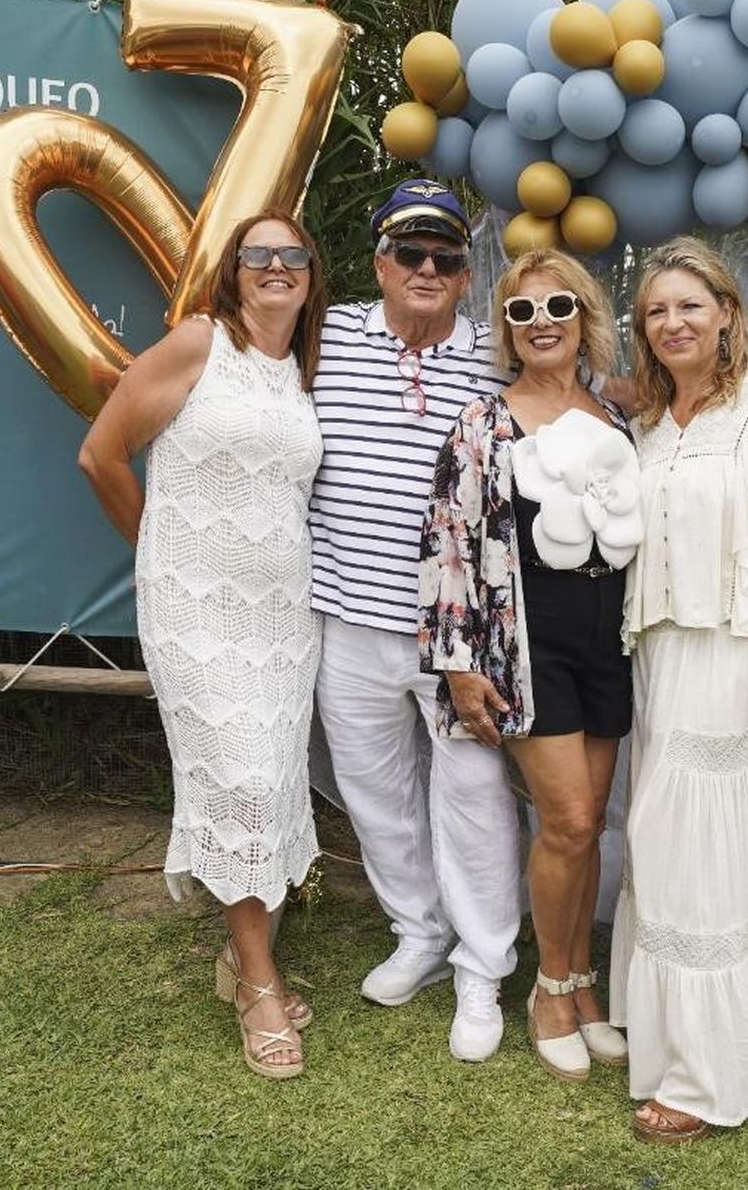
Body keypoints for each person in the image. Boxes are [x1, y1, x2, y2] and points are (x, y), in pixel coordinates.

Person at [78, 210, 326, 1080]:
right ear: (234, 271)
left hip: (286, 620)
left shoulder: (299, 373)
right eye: (257, 253)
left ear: (309, 273)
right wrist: (162, 557)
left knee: (274, 779)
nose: (274, 265)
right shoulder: (198, 345)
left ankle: (240, 954)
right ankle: (258, 983)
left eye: (291, 254)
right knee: (242, 780)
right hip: (197, 616)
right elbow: (101, 454)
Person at [609, 237, 748, 1142]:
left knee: (697, 840)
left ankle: (707, 1077)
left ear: (728, 313)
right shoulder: (650, 425)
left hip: (735, 658)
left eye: (689, 307)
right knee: (657, 834)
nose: (673, 324)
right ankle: (663, 1028)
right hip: (658, 655)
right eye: (656, 312)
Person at [309, 179, 520, 1063]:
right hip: (345, 618)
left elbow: (578, 406)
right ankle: (420, 933)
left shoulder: (500, 353)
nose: (427, 269)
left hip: (457, 635)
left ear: (468, 274)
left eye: (447, 257)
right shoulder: (322, 339)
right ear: (379, 264)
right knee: (377, 794)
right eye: (410, 253)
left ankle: (482, 967)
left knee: (473, 800)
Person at [420, 249, 640, 1082]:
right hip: (525, 642)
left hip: (608, 638)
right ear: (507, 332)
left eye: (558, 307)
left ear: (585, 319)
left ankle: (583, 983)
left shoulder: (621, 423)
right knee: (570, 823)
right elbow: (445, 546)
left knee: (593, 824)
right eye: (522, 311)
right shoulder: (483, 423)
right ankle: (549, 990)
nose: (542, 322)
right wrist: (456, 664)